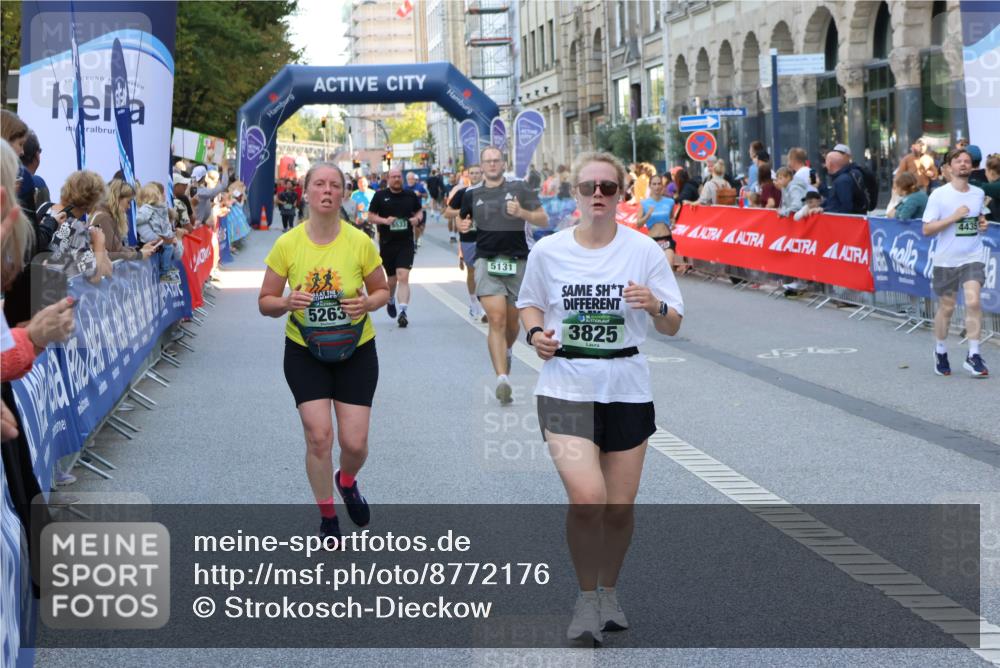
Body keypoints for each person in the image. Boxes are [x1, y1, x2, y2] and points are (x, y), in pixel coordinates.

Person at [516, 151, 684, 643]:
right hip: (565, 384)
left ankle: (609, 590)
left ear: (620, 194)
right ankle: (586, 599)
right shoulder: (549, 251)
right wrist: (534, 337)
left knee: (620, 505)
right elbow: (529, 303)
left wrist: (654, 304)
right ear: (575, 193)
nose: (597, 195)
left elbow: (673, 323)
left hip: (626, 387)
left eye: (607, 188)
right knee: (588, 499)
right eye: (588, 186)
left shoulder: (644, 251)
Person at [258, 162, 390, 544]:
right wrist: (286, 302)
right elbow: (264, 302)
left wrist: (367, 304)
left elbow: (382, 291)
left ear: (344, 193)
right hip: (304, 351)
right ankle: (328, 516)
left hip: (356, 350)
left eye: (335, 185)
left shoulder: (359, 242)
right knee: (319, 437)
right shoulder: (288, 244)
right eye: (319, 184)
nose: (327, 190)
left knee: (354, 443)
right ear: (307, 191)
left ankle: (346, 480)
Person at [458, 146, 547, 405]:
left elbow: (542, 219)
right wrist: (462, 225)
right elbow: (463, 223)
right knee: (496, 319)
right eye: (488, 161)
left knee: (511, 322)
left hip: (517, 261)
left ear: (503, 163)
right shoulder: (471, 194)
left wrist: (522, 213)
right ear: (482, 166)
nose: (493, 164)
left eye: (497, 160)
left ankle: (507, 349)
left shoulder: (521, 189)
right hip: (487, 261)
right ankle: (502, 379)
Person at [922, 149, 990, 377]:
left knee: (973, 303)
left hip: (973, 256)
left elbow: (979, 218)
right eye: (958, 161)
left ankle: (974, 355)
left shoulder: (978, 193)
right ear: (948, 167)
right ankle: (940, 350)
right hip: (946, 259)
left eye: (967, 161)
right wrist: (953, 217)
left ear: (972, 167)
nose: (963, 164)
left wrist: (982, 224)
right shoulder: (938, 195)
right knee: (947, 308)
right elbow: (927, 230)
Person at [368, 167, 422, 327]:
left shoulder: (410, 195)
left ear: (402, 179)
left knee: (403, 276)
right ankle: (390, 299)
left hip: (405, 242)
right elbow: (370, 216)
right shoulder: (380, 196)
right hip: (387, 243)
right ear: (388, 179)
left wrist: (416, 220)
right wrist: (385, 221)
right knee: (391, 280)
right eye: (393, 177)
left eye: (399, 177)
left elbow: (419, 212)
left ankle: (403, 311)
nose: (397, 179)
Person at [444, 164, 486, 320]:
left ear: (482, 174)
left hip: (486, 237)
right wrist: (464, 211)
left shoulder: (489, 192)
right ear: (468, 176)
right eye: (472, 173)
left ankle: (486, 307)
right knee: (472, 271)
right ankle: (474, 304)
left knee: (486, 272)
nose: (475, 176)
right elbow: (447, 212)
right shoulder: (463, 193)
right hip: (468, 237)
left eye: (478, 173)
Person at [135, 182, 179, 283]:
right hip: (152, 241)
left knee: (169, 248)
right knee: (168, 248)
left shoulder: (159, 208)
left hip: (160, 238)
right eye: (159, 194)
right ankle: (164, 271)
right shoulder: (146, 209)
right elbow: (137, 219)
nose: (162, 196)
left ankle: (166, 268)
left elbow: (164, 224)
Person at [638, 174, 677, 268]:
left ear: (662, 186)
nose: (656, 187)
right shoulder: (644, 203)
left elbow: (671, 218)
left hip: (667, 239)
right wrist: (647, 215)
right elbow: (638, 224)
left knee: (668, 268)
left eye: (659, 184)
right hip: (652, 241)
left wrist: (673, 222)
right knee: (654, 271)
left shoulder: (670, 202)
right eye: (654, 184)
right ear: (650, 186)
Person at [823, 145, 865, 214]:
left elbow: (845, 208)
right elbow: (834, 198)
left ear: (830, 164)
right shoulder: (846, 177)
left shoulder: (842, 181)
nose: (825, 165)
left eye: (826, 162)